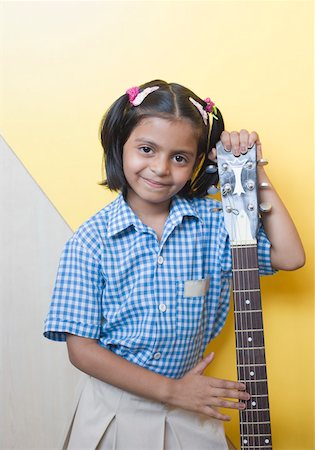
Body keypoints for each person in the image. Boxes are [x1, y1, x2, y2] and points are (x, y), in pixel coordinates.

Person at [44, 80, 305, 450]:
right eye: (147, 149)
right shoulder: (91, 241)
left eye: (179, 157)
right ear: (120, 145)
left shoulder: (215, 223)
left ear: (198, 161)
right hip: (118, 411)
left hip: (190, 405)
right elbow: (81, 349)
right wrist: (173, 391)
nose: (161, 168)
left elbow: (290, 256)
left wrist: (249, 170)